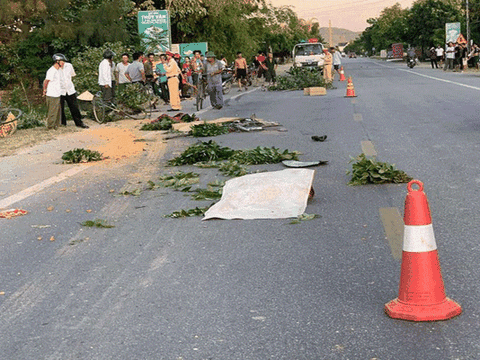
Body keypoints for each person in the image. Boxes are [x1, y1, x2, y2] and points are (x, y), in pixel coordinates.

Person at [60, 57, 89, 128]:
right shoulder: (55, 69)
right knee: (61, 108)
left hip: (70, 89)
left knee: (74, 107)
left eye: (63, 61)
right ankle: (63, 123)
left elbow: (72, 75)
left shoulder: (69, 66)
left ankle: (79, 122)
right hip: (60, 90)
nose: (62, 62)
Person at [43, 54, 65, 130]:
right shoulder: (51, 70)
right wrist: (44, 90)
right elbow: (46, 81)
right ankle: (50, 127)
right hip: (52, 94)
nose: (63, 63)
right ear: (57, 61)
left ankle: (56, 125)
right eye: (62, 61)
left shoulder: (59, 70)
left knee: (57, 111)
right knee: (52, 112)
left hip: (57, 94)